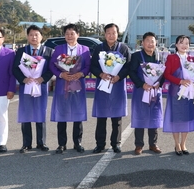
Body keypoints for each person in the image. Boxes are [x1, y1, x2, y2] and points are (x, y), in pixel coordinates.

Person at [49, 24, 91, 154]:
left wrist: (81, 73)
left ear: (78, 34)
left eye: (72, 33)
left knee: (78, 114)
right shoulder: (58, 48)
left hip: (78, 85)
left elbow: (88, 66)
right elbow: (52, 65)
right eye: (67, 33)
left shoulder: (84, 50)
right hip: (63, 84)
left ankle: (77, 142)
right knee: (62, 114)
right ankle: (62, 144)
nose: (69, 36)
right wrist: (61, 74)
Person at [12, 25, 54, 153]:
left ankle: (41, 142)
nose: (34, 37)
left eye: (36, 35)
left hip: (41, 86)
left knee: (41, 112)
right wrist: (23, 79)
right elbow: (15, 68)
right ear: (27, 36)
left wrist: (43, 78)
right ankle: (26, 143)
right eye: (31, 35)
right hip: (26, 86)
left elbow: (52, 69)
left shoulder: (48, 51)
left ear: (41, 36)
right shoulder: (21, 51)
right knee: (26, 113)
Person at [90, 23, 131, 154]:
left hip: (117, 85)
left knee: (116, 118)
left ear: (117, 34)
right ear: (105, 34)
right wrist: (101, 74)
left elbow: (128, 67)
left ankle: (116, 143)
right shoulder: (99, 48)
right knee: (101, 117)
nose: (111, 35)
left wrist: (119, 76)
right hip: (103, 84)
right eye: (108, 33)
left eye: (114, 33)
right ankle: (100, 144)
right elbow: (93, 66)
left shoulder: (123, 48)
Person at [129, 32, 165, 155]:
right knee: (140, 116)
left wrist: (159, 83)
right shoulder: (136, 56)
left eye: (153, 41)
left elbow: (163, 73)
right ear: (142, 43)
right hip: (141, 91)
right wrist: (142, 84)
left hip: (155, 91)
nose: (150, 43)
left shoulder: (159, 56)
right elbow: (132, 72)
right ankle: (139, 145)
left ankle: (153, 144)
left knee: (153, 117)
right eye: (148, 41)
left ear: (156, 43)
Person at [163, 35, 194, 155]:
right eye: (181, 43)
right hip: (175, 92)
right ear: (176, 45)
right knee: (176, 118)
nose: (184, 45)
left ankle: (183, 144)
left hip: (188, 93)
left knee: (186, 118)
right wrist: (180, 81)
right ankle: (177, 144)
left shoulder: (191, 59)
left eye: (187, 43)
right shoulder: (171, 58)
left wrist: (193, 81)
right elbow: (166, 74)